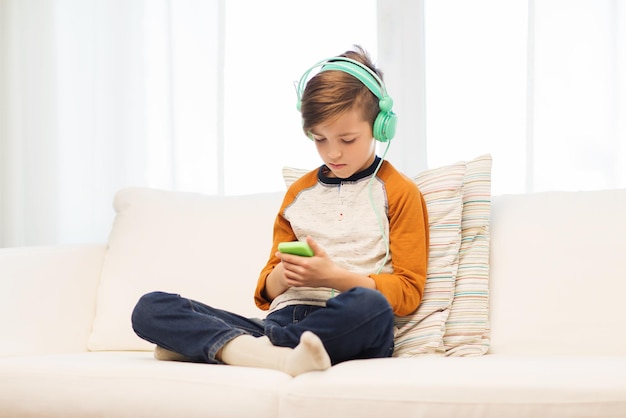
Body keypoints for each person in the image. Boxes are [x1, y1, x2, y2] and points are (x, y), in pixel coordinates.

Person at [131, 45, 429, 377]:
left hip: (345, 324)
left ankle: (226, 347)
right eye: (319, 139)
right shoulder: (299, 193)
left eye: (347, 139)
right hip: (279, 322)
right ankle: (278, 354)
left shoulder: (400, 192)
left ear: (380, 127)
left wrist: (331, 277)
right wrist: (283, 276)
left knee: (372, 308)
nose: (333, 153)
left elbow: (407, 292)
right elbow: (265, 292)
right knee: (151, 308)